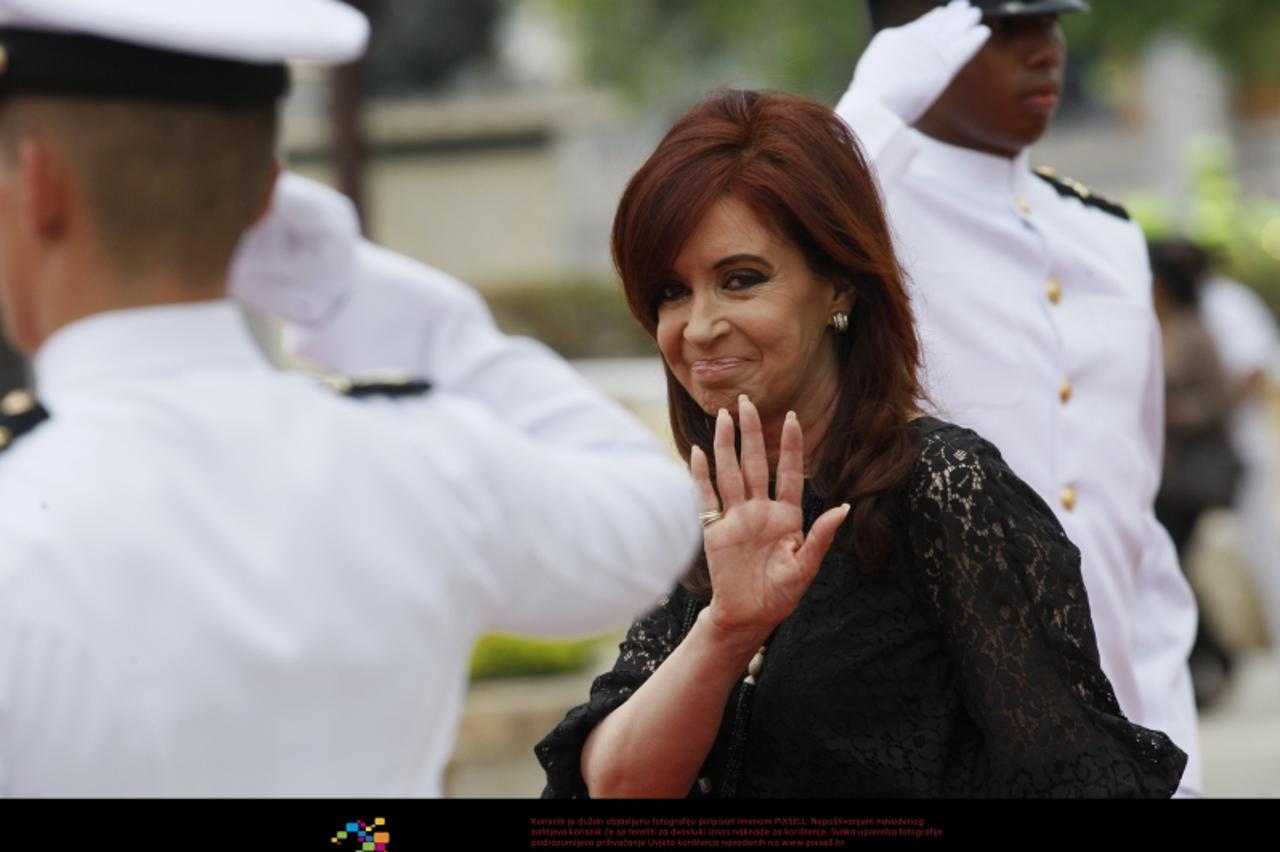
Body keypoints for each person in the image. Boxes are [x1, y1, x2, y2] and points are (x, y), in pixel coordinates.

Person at [0, 0, 698, 796]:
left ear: (41, 188)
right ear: (269, 199)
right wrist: (345, 288)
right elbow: (651, 516)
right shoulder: (425, 464)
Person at [534, 89, 1187, 798]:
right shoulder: (708, 517)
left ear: (839, 284)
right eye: (669, 291)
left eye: (740, 280)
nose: (698, 326)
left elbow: (1075, 776)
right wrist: (727, 632)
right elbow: (615, 789)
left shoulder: (944, 488)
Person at [833, 0, 1202, 793]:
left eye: (1051, 24)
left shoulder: (1105, 235)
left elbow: (1130, 530)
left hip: (1117, 733)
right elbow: (775, 221)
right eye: (1005, 30)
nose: (1047, 51)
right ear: (917, 42)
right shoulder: (866, 215)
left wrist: (1180, 754)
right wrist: (875, 99)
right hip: (947, 726)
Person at [1149, 240, 1240, 707]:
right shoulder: (1152, 327)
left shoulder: (1192, 330)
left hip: (1189, 476)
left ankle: (1213, 656)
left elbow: (1222, 398)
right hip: (1161, 472)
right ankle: (1208, 659)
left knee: (1172, 565)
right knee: (1170, 565)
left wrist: (1171, 410)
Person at [1199, 268, 1280, 649]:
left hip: (1245, 440)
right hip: (1219, 444)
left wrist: (1213, 410)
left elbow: (1253, 369)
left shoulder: (1225, 300)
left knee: (1265, 538)